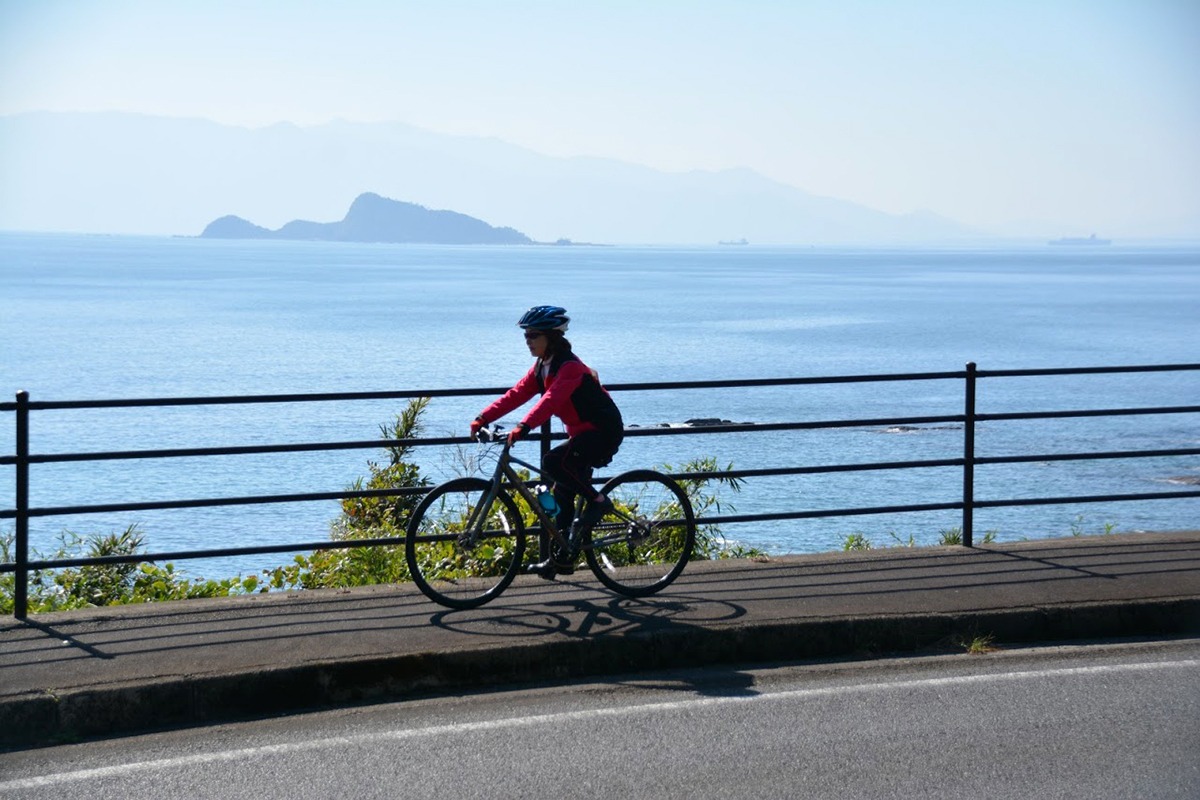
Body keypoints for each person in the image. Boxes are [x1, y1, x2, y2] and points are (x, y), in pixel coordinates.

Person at [470, 305, 624, 578]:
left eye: (533, 336)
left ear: (550, 338)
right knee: (561, 493)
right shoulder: (542, 366)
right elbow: (516, 394)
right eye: (526, 336)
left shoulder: (571, 368)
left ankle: (599, 501)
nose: (528, 341)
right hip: (581, 434)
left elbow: (550, 401)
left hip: (603, 432)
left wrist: (524, 426)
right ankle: (561, 560)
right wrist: (483, 417)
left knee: (553, 462)